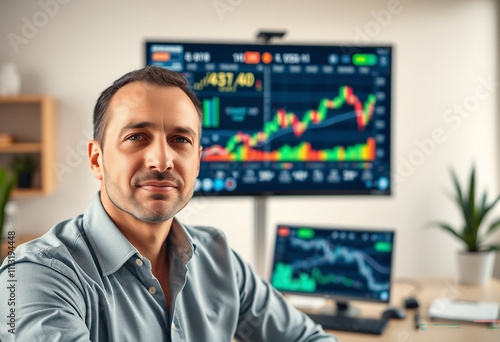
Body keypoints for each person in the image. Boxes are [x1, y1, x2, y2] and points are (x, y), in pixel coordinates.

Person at [0, 66, 338, 342]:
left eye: (180, 139)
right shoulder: (35, 276)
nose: (162, 160)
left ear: (198, 161)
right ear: (96, 159)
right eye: (136, 137)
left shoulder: (218, 258)